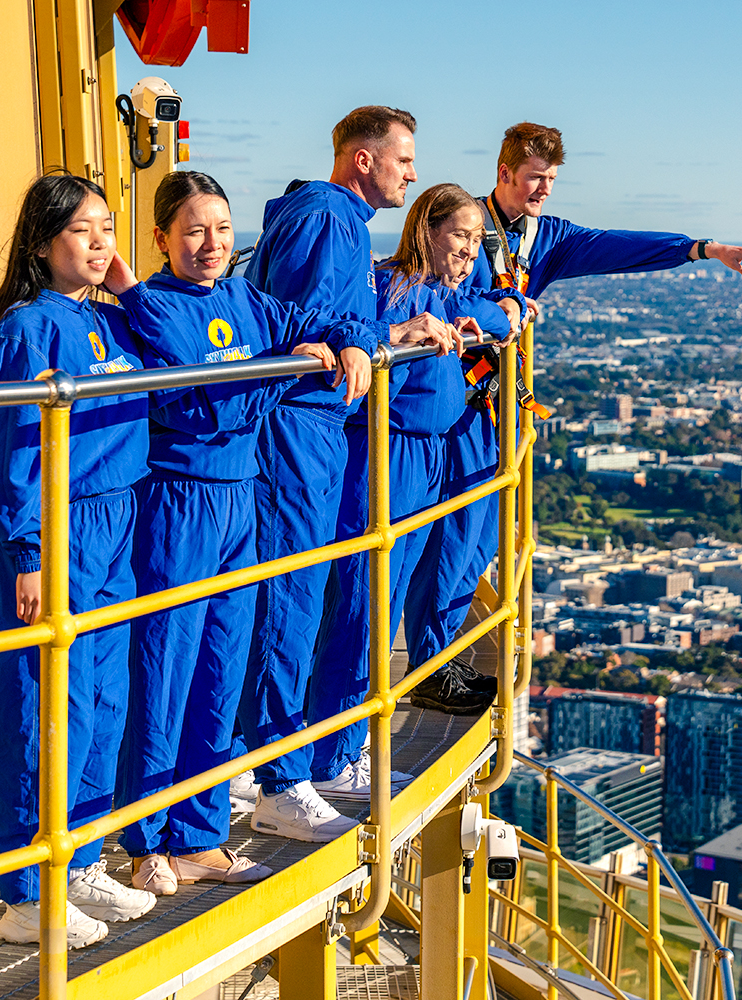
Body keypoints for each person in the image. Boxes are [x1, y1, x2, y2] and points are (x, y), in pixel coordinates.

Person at [405, 123, 742, 708]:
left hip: (491, 413)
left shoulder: (543, 238)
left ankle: (443, 657)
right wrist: (503, 312)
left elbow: (616, 247)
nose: (544, 189)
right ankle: (428, 666)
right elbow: (436, 294)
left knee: (479, 545)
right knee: (449, 544)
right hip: (446, 409)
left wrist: (702, 249)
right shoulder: (465, 225)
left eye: (551, 179)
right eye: (535, 178)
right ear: (504, 173)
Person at [112, 171, 367, 891]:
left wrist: (346, 341)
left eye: (222, 230)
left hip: (239, 503)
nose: (211, 244)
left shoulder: (244, 299)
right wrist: (274, 373)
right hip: (179, 503)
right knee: (165, 671)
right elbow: (202, 406)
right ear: (161, 238)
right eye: (193, 231)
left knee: (220, 673)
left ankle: (197, 834)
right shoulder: (151, 307)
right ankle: (145, 841)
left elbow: (309, 317)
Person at [236, 106, 458, 832]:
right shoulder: (329, 219)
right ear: (362, 160)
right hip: (297, 430)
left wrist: (383, 334)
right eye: (404, 159)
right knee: (287, 604)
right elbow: (300, 326)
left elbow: (325, 321)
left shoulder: (329, 220)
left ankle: (276, 762)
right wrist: (360, 339)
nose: (413, 174)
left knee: (297, 601)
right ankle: (278, 779)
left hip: (312, 431)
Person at [0, 173, 158, 948]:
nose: (100, 241)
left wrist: (124, 281)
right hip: (58, 530)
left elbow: (172, 337)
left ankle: (77, 862)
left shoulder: (112, 322)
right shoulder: (26, 329)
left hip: (118, 526)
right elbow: (9, 449)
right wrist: (27, 554)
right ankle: (26, 892)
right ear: (42, 243)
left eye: (108, 227)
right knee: (44, 708)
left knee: (101, 704)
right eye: (83, 230)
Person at [306, 183, 523, 785]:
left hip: (423, 459)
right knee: (362, 605)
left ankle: (348, 740)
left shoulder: (445, 294)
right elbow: (368, 335)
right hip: (386, 456)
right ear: (426, 230)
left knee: (387, 599)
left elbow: (485, 310)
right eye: (459, 236)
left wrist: (504, 309)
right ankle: (332, 752)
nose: (468, 250)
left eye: (477, 240)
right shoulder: (396, 288)